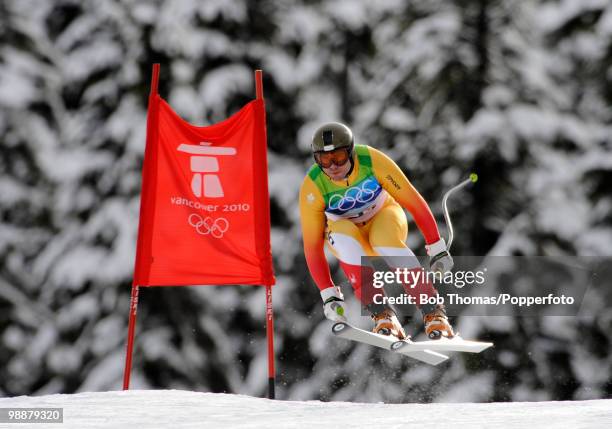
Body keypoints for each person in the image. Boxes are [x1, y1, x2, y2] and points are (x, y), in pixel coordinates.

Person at [299, 122, 455, 340]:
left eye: (339, 157)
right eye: (324, 160)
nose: (333, 166)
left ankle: (434, 314)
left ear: (351, 152)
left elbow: (413, 201)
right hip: (346, 229)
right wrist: (329, 294)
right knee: (345, 242)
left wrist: (437, 247)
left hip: (383, 215)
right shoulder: (313, 186)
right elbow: (312, 246)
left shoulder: (371, 161)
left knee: (384, 240)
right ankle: (383, 316)